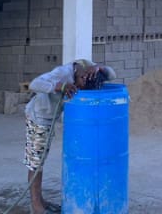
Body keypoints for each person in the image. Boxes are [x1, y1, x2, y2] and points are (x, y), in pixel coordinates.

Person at [25, 60, 115, 214]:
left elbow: (112, 75)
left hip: (51, 116)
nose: (80, 89)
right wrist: (59, 86)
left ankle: (41, 200)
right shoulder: (62, 73)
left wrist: (100, 67)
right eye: (81, 85)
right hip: (39, 115)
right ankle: (36, 205)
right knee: (36, 161)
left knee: (41, 158)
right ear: (81, 75)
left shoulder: (91, 71)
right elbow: (34, 84)